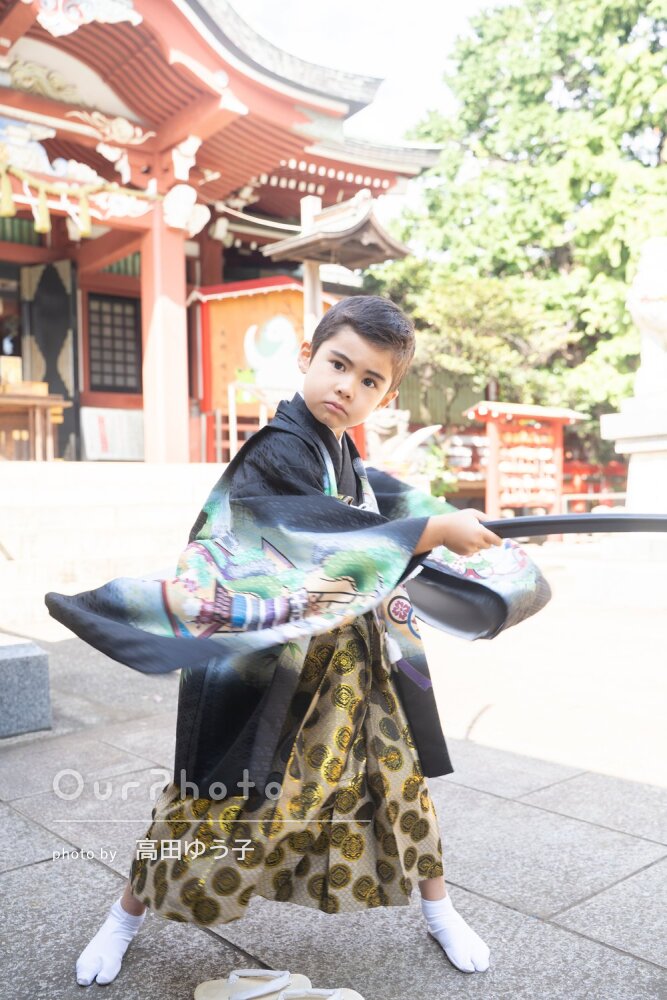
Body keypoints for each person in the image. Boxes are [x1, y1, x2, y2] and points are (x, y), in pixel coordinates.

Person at [59, 296, 503, 987]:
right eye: (338, 364)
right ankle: (122, 917)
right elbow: (315, 538)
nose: (346, 388)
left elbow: (376, 516)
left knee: (397, 780)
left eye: (369, 380)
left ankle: (440, 910)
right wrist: (428, 533)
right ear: (306, 357)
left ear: (386, 396)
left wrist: (435, 525)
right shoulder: (277, 450)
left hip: (352, 663)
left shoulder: (342, 453)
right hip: (275, 666)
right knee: (213, 800)